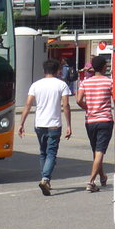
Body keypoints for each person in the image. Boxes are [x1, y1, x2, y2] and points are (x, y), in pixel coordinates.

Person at [16, 61, 72, 195]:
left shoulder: (36, 85)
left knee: (43, 152)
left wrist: (21, 123)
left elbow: (28, 105)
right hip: (54, 124)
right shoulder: (61, 85)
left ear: (44, 70)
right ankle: (45, 178)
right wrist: (69, 125)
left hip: (39, 124)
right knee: (51, 152)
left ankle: (45, 179)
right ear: (58, 70)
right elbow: (66, 105)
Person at [76, 56, 114, 192]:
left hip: (90, 121)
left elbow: (78, 99)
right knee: (100, 151)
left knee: (96, 151)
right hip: (105, 120)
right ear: (104, 67)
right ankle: (91, 182)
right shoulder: (109, 82)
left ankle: (102, 176)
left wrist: (88, 108)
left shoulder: (85, 83)